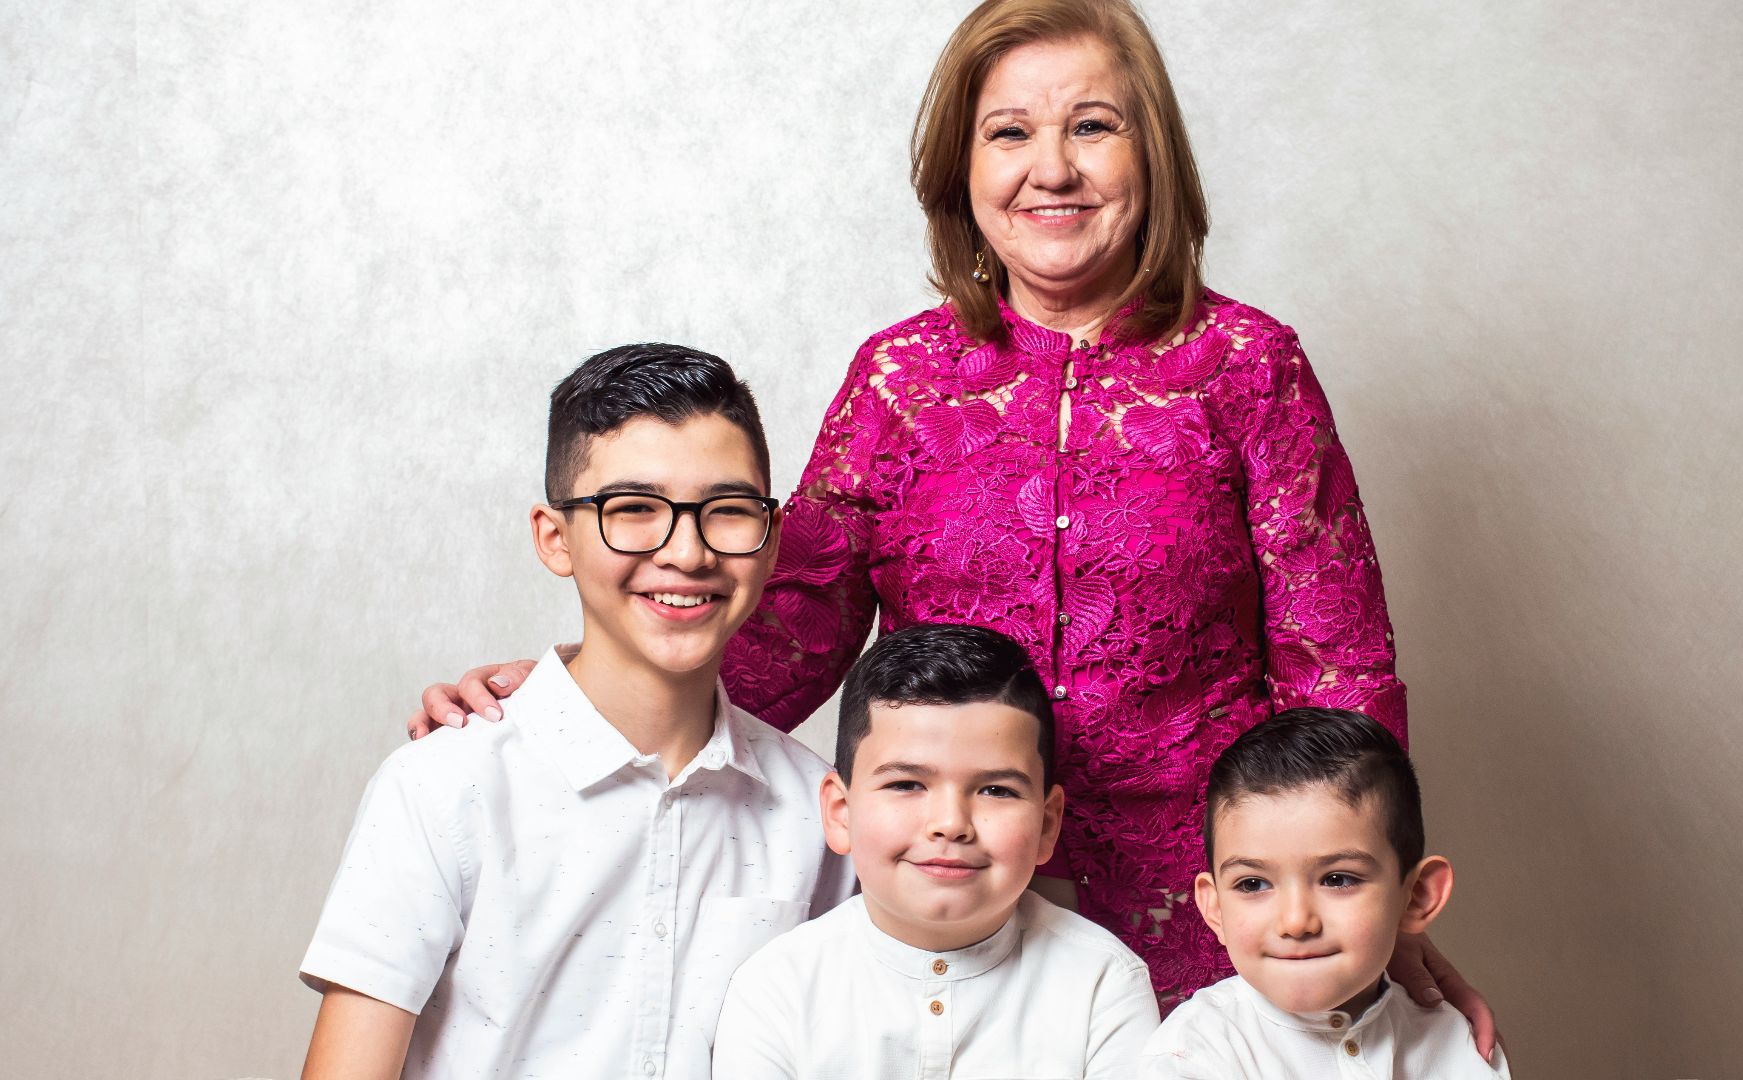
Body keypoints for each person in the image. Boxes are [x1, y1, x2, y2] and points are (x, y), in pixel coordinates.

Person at [413, 0, 1494, 1045]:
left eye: (1093, 127)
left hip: (1215, 917)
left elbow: (1339, 666)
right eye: (1010, 131)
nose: (1052, 168)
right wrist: (569, 694)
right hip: (953, 899)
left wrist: (1368, 897)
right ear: (961, 170)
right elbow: (782, 637)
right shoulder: (898, 379)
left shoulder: (1250, 367)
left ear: (1152, 156)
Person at [298, 345, 854, 1079]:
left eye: (727, 513)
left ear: (773, 538)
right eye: (633, 510)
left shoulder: (818, 818)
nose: (686, 553)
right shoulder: (443, 786)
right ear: (554, 538)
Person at [711, 623, 1161, 1078]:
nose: (950, 824)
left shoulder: (1104, 984)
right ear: (841, 813)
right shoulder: (778, 987)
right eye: (907, 784)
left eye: (996, 790)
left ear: (1047, 824)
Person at [1141, 708, 1510, 1078]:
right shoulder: (1191, 1055)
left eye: (1337, 879)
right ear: (1215, 907)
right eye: (1252, 884)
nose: (1296, 921)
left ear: (1415, 897)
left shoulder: (1455, 1042)